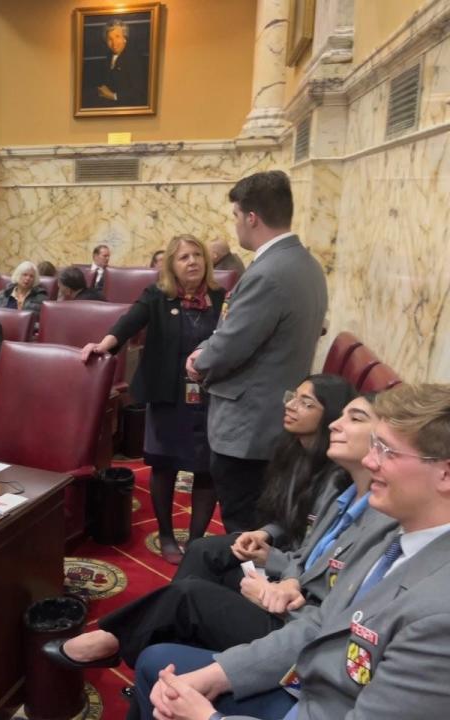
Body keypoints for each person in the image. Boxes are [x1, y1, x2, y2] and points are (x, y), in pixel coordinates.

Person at [136, 383, 450, 720]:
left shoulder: (439, 615)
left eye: (386, 451)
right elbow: (321, 625)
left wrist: (209, 718)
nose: (370, 461)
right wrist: (219, 675)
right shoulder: (393, 537)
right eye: (374, 446)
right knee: (158, 665)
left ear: (445, 474)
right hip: (308, 682)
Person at [43, 395, 394, 688]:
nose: (336, 424)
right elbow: (306, 555)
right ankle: (158, 635)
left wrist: (282, 591)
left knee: (189, 595)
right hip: (287, 589)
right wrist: (279, 566)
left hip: (294, 623)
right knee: (201, 554)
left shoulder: (383, 523)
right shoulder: (342, 489)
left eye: (355, 418)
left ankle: (118, 639)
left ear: (386, 441)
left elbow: (335, 616)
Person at [186, 170, 328, 533]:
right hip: (273, 417)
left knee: (244, 529)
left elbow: (232, 343)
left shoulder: (269, 272)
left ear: (251, 217)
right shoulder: (307, 264)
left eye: (235, 216)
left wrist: (199, 360)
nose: (234, 225)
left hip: (249, 428)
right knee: (260, 524)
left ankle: (244, 590)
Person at [82, 235, 223, 562]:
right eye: (184, 257)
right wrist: (105, 344)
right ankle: (167, 534)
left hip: (210, 396)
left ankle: (198, 539)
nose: (192, 262)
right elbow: (129, 322)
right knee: (165, 465)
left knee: (206, 470)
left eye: (197, 255)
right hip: (166, 394)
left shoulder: (220, 297)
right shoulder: (158, 296)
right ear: (171, 266)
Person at [178, 375, 357, 587]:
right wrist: (265, 533)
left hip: (296, 576)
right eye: (293, 397)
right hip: (282, 549)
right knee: (201, 550)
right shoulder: (293, 451)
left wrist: (273, 559)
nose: (290, 406)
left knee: (205, 582)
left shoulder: (337, 478)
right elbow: (287, 519)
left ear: (331, 416)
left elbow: (318, 553)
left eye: (306, 403)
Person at [93, 20, 148, 107]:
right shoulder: (109, 56)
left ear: (124, 38)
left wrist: (113, 96)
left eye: (117, 36)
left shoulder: (134, 57)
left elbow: (139, 92)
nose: (114, 43)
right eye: (110, 39)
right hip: (110, 106)